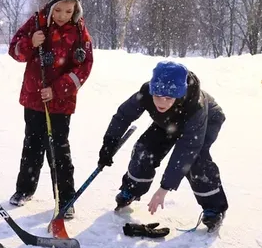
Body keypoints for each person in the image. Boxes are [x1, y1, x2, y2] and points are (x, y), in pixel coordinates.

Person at [97, 61, 228, 232]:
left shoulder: (196, 106)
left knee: (195, 161)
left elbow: (187, 150)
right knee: (144, 151)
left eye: (168, 97)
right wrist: (109, 143)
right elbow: (123, 116)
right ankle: (131, 190)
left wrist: (164, 188)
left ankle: (214, 208)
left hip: (207, 121)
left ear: (179, 95)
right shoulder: (146, 93)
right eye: (157, 95)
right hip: (166, 122)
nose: (162, 102)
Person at [7, 0, 94, 219]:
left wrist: (57, 89)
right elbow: (15, 51)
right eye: (58, 10)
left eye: (69, 11)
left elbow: (84, 66)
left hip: (61, 104)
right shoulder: (35, 24)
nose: (63, 16)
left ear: (76, 9)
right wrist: (30, 43)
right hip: (34, 100)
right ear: (50, 5)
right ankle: (25, 189)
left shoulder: (79, 32)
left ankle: (65, 198)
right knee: (32, 145)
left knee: (59, 150)